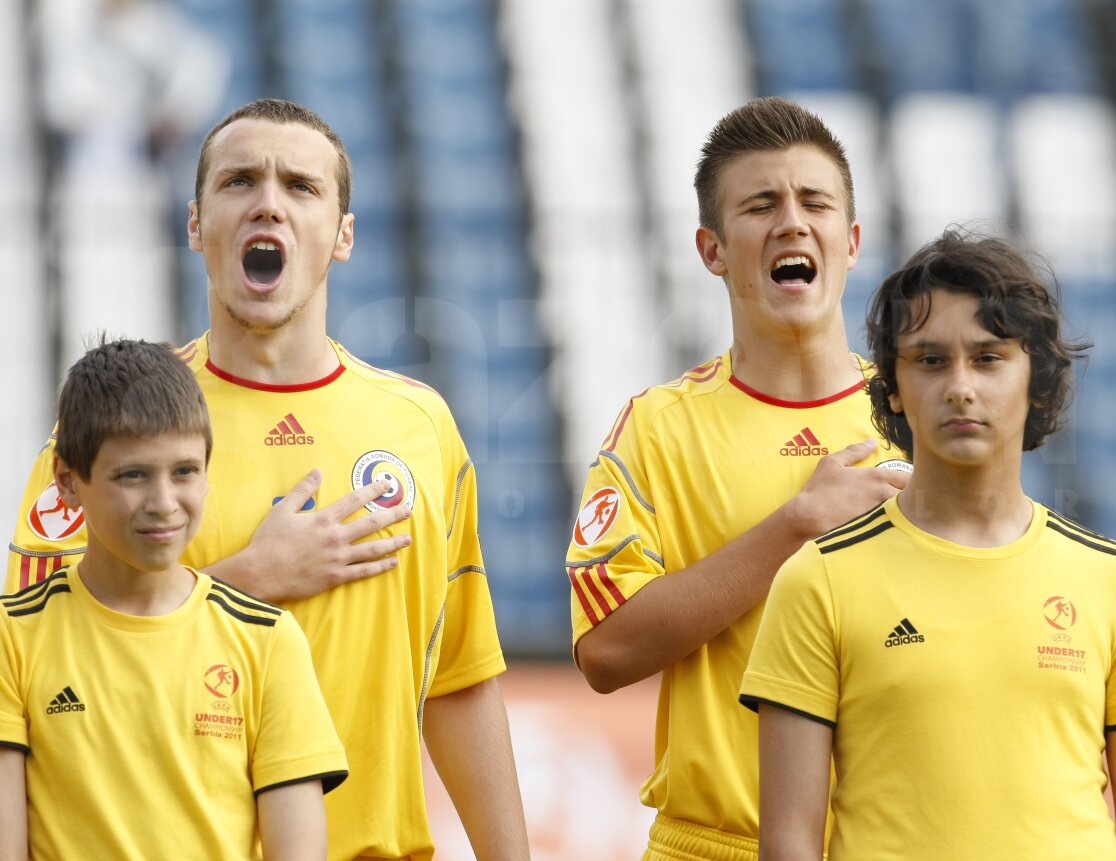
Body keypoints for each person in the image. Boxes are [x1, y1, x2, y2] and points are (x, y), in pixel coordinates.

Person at [7, 99, 529, 861]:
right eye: (240, 181)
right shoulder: (110, 427)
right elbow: (40, 665)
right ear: (196, 223)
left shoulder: (421, 426)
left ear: (343, 234)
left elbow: (459, 677)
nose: (269, 204)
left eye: (302, 187)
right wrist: (251, 578)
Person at [741, 229, 1116, 860]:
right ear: (892, 388)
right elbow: (788, 844)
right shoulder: (817, 580)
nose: (960, 386)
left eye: (988, 358)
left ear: (1037, 382)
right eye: (930, 360)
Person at [564, 96, 910, 860]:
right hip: (711, 843)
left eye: (814, 202)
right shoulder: (657, 427)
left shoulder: (919, 414)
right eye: (761, 205)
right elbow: (605, 653)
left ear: (851, 240)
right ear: (712, 249)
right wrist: (795, 525)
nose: (792, 222)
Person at [0, 338, 347, 860]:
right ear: (68, 482)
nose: (163, 503)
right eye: (133, 475)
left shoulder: (269, 640)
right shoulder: (13, 638)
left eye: (184, 471)